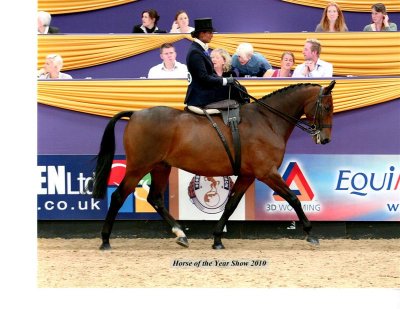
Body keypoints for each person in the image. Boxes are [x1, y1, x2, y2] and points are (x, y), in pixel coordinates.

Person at [184, 18, 236, 107]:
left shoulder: (200, 49)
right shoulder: (195, 52)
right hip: (200, 95)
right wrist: (224, 80)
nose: (212, 35)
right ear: (201, 34)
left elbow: (211, 73)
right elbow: (204, 78)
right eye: (210, 33)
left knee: (236, 87)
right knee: (235, 92)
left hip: (204, 91)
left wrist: (225, 80)